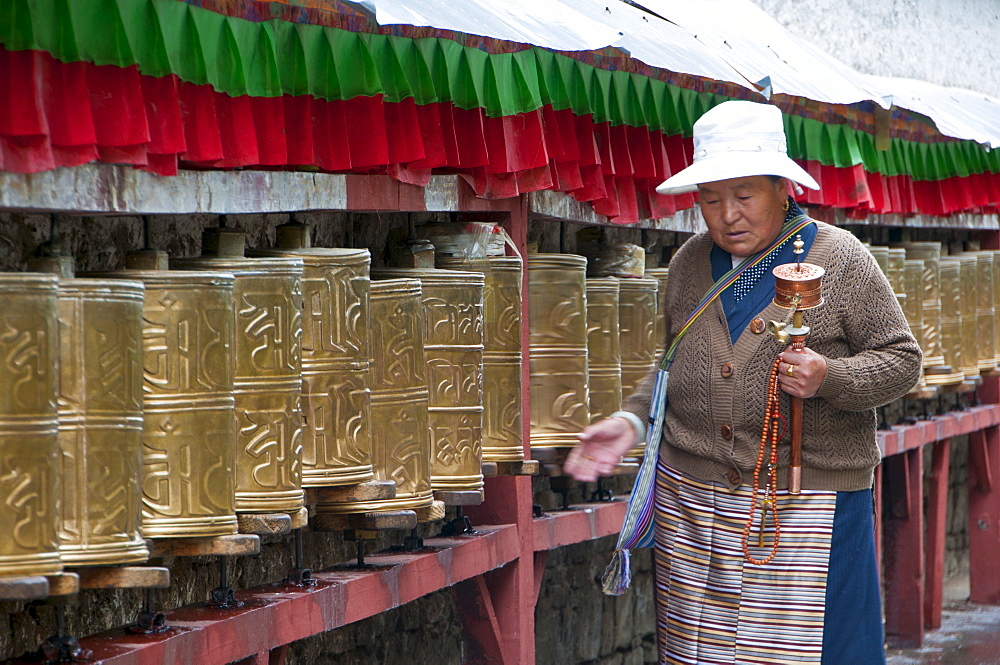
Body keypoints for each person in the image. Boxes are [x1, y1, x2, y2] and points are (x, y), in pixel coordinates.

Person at [564, 100, 922, 665]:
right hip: (696, 506)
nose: (727, 215)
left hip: (806, 506)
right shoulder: (687, 265)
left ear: (783, 188)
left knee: (814, 651)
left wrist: (830, 376)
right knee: (702, 652)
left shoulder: (841, 259)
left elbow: (902, 359)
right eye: (710, 199)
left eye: (745, 195)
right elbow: (673, 363)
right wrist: (631, 421)